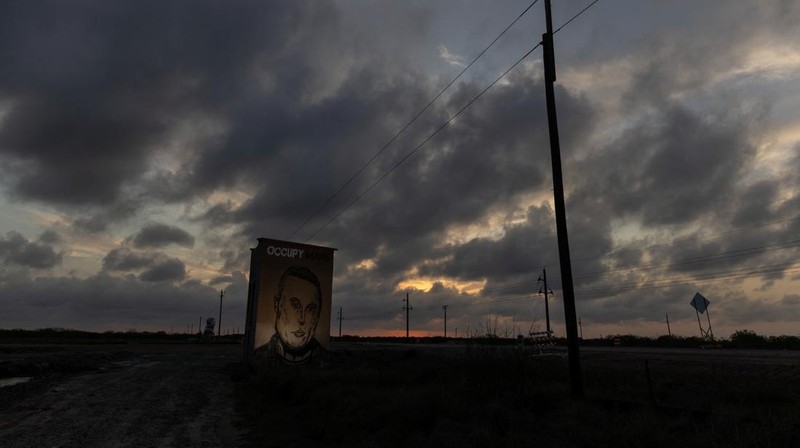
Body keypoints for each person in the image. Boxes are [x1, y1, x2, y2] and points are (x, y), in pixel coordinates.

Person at [262, 266, 324, 364]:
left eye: (310, 309)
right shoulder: (258, 359)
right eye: (295, 305)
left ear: (317, 315)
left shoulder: (327, 363)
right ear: (277, 305)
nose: (302, 319)